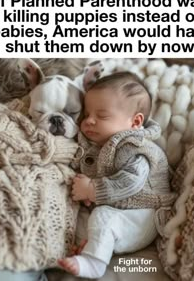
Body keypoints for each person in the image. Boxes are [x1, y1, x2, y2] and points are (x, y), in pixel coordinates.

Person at [58, 71, 172, 279]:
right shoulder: (96, 146)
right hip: (117, 214)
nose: (89, 121)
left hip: (142, 214)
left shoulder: (134, 147)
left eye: (101, 116)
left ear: (135, 122)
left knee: (103, 217)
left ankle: (94, 265)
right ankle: (88, 249)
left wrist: (93, 189)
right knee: (79, 219)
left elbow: (131, 182)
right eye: (86, 114)